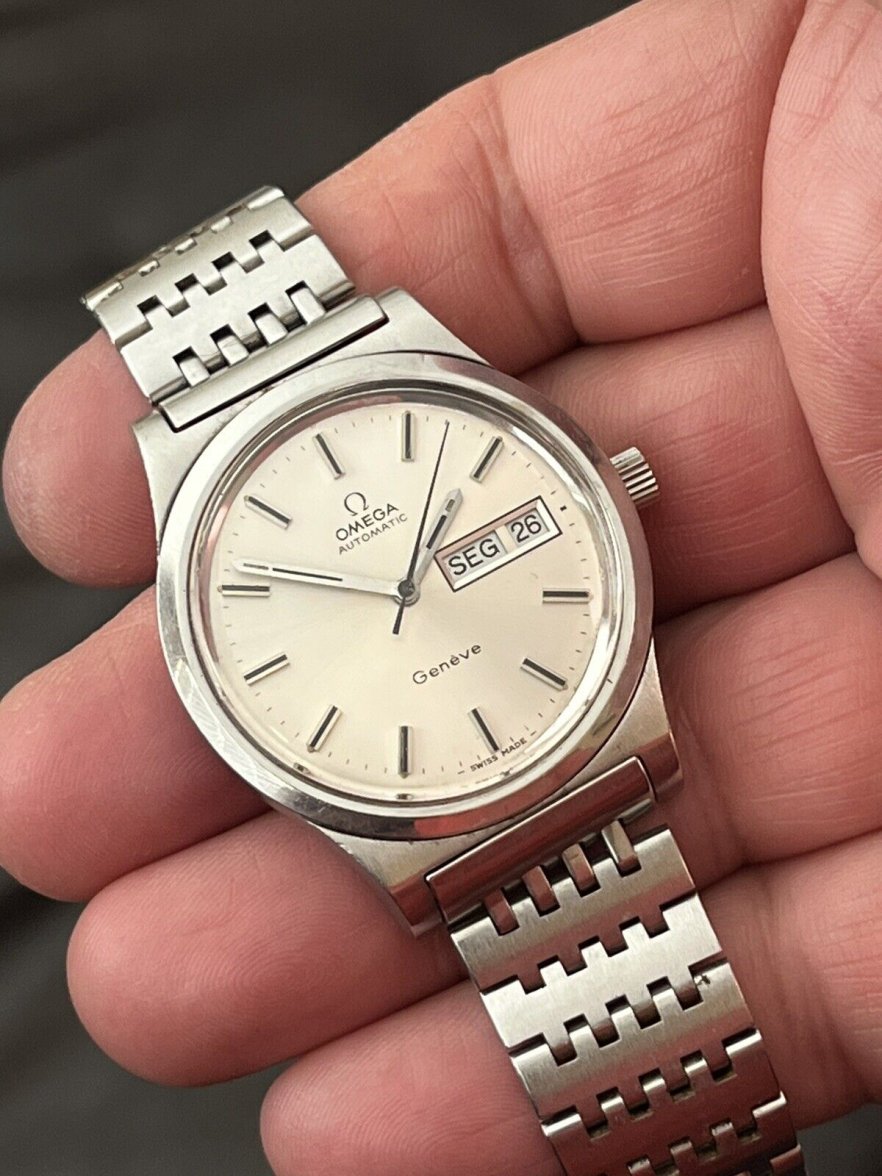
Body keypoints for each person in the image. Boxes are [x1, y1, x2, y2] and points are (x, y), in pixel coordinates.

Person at [1, 1, 881, 1172]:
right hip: (433, 807)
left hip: (573, 725)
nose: (401, 597)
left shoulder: (467, 404)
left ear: (610, 484)